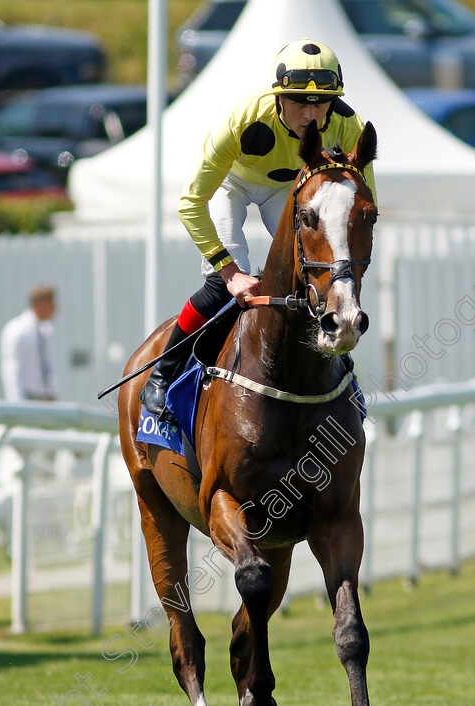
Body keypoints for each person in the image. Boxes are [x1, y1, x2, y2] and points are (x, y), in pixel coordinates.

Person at [140, 38, 377, 422]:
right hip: (230, 185)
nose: (312, 114)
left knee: (314, 273)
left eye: (321, 102)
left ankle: (338, 364)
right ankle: (164, 372)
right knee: (223, 286)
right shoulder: (243, 120)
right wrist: (231, 273)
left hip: (287, 189)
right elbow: (190, 203)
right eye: (299, 100)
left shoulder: (348, 125)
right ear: (278, 97)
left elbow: (363, 206)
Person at [0, 285, 58, 401]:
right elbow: (11, 368)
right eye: (52, 304)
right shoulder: (17, 330)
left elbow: (48, 366)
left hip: (46, 399)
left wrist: (53, 392)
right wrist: (17, 403)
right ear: (40, 305)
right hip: (27, 399)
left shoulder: (45, 330)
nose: (55, 309)